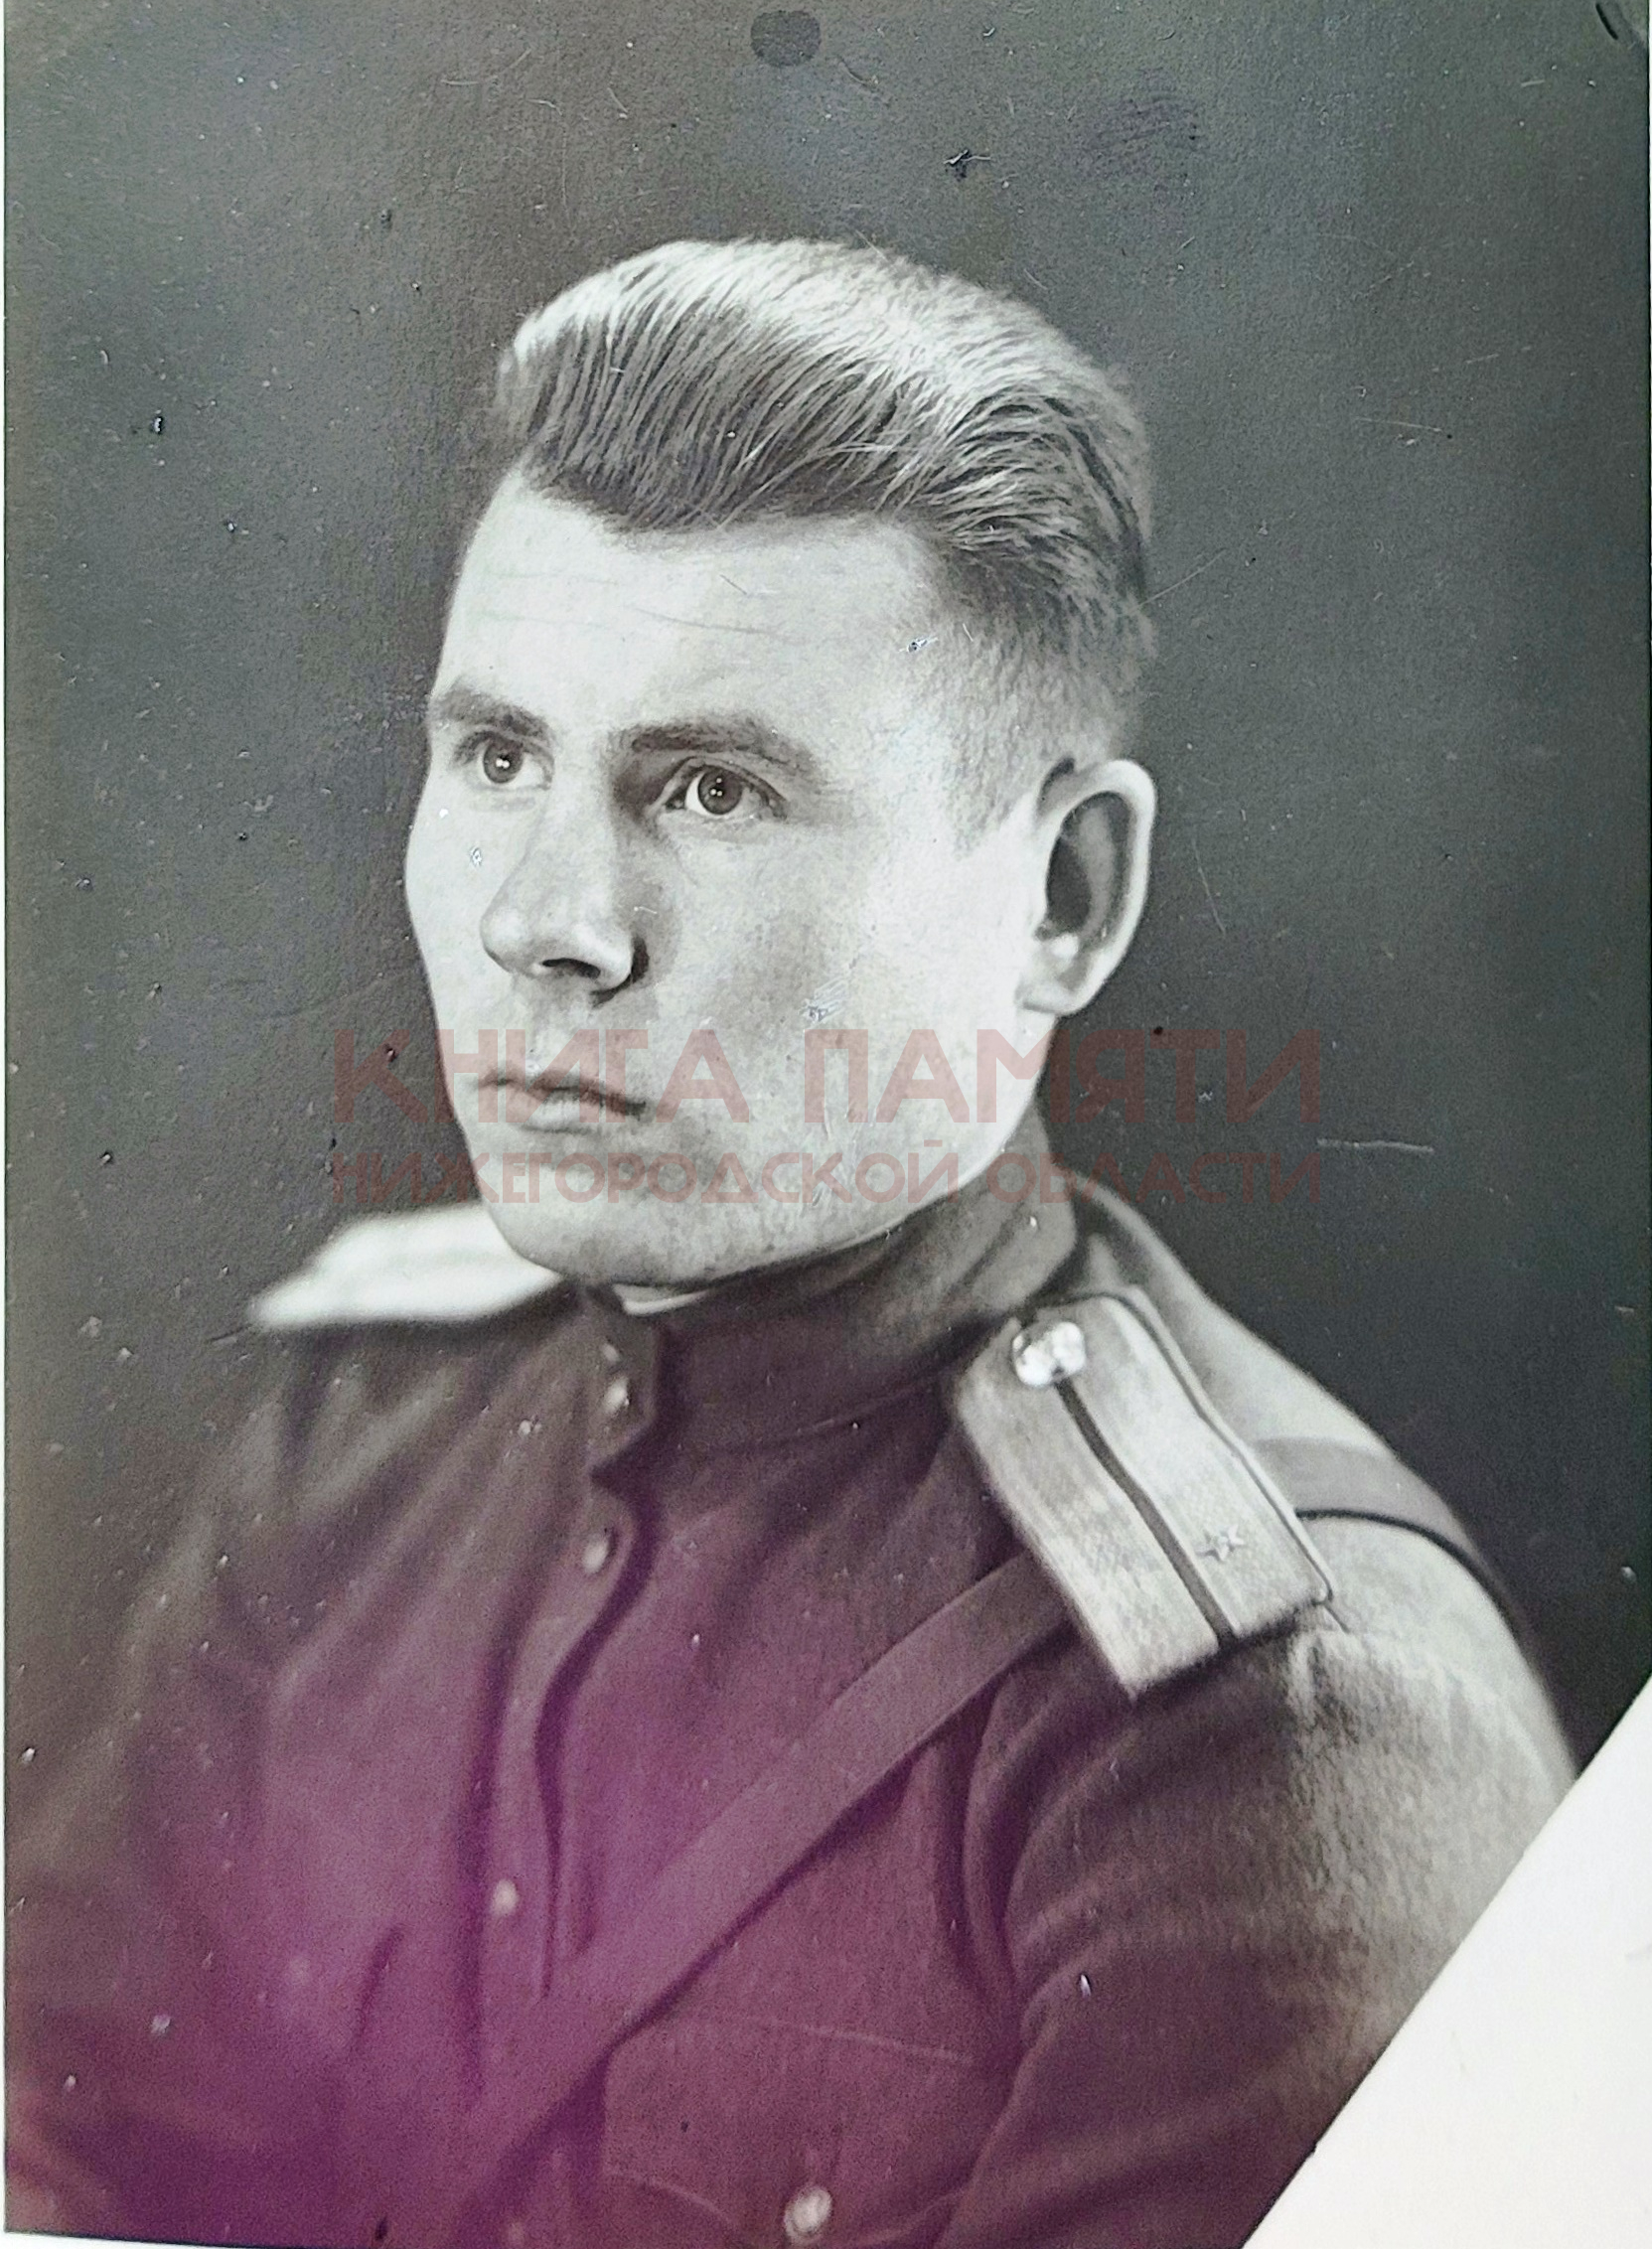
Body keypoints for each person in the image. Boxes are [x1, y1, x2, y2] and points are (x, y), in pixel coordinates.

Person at [7, 238, 1572, 2249]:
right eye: (497, 756)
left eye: (713, 789)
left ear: (1065, 897)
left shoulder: (1273, 1723)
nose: (546, 922)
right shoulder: (359, 1441)